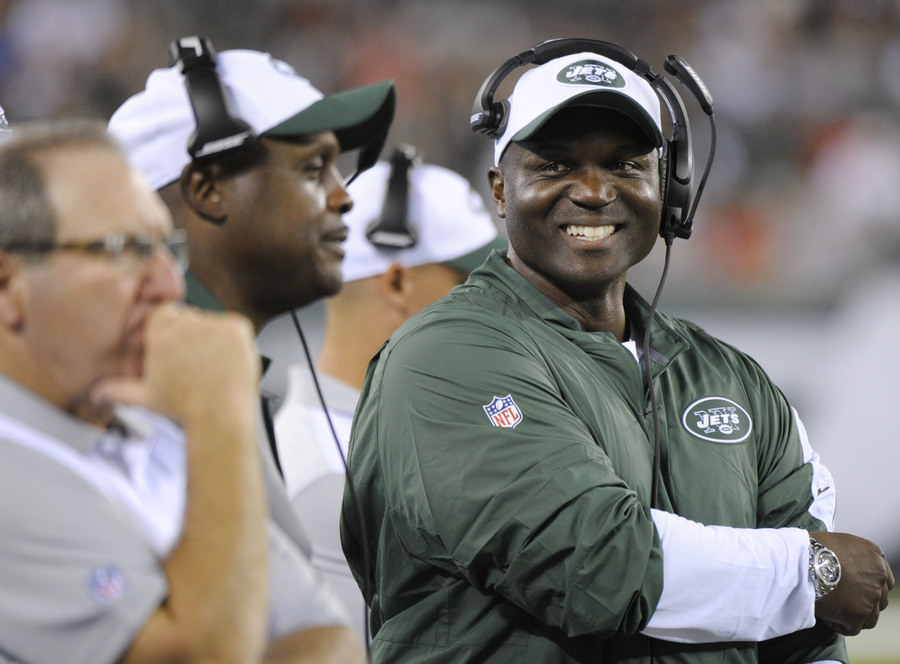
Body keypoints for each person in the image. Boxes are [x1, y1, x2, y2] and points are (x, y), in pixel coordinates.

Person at [339, 42, 894, 663]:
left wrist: (812, 594)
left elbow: (807, 638)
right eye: (554, 166)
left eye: (626, 164)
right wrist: (807, 573)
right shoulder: (442, 359)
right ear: (500, 188)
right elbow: (594, 567)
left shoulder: (731, 378)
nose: (595, 191)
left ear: (670, 187)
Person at [0, 120, 356, 662]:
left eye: (166, 248)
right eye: (124, 249)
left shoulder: (149, 421)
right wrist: (216, 414)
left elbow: (326, 632)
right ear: (9, 286)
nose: (169, 285)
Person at [108, 37, 396, 662]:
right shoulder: (133, 389)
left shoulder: (207, 370)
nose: (344, 194)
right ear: (208, 190)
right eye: (312, 168)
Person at [274, 143, 506, 640]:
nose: (503, 307)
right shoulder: (325, 477)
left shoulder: (375, 439)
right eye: (477, 283)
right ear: (397, 283)